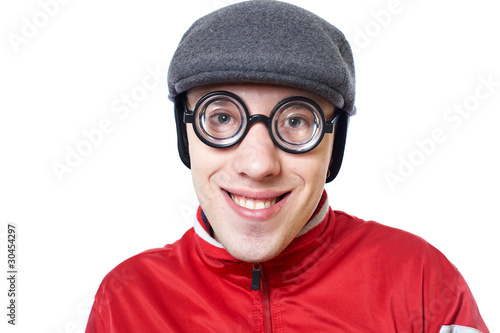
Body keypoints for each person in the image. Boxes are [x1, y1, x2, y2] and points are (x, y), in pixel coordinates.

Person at [85, 1, 489, 332]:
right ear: (185, 135)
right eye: (222, 118)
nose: (259, 165)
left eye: (296, 121)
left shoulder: (421, 281)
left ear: (335, 144)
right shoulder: (126, 299)